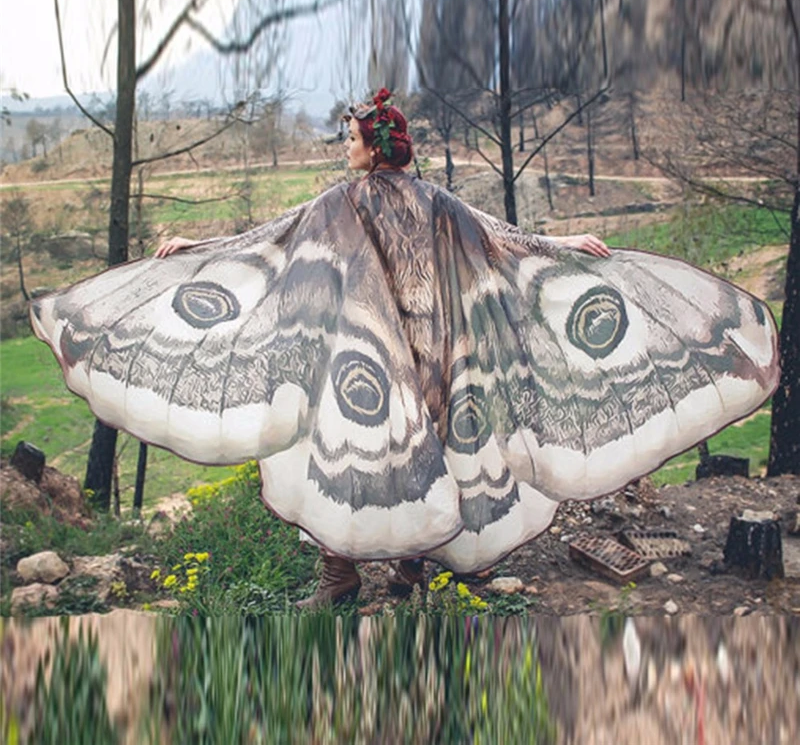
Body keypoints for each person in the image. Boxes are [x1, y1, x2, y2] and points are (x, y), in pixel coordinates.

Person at [30, 90, 779, 609]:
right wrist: (201, 245)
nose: (342, 146)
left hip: (418, 352)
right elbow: (277, 238)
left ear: (372, 146)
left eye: (348, 137)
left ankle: (389, 568)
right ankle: (358, 571)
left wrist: (565, 247)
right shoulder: (383, 200)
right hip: (399, 350)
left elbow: (495, 238)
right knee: (369, 450)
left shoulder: (394, 201)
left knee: (394, 453)